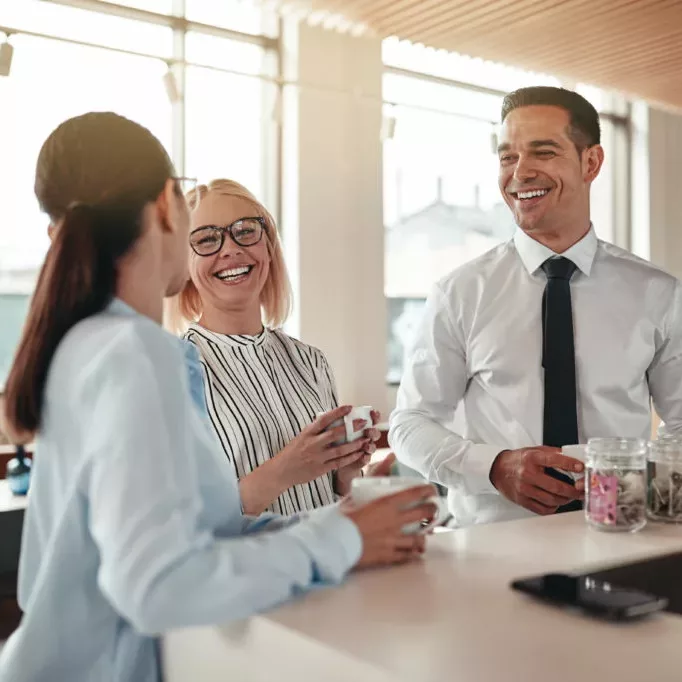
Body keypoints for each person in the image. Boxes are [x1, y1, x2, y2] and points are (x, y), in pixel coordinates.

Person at [0, 112, 436, 682]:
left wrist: (348, 520)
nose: (226, 248)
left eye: (246, 231)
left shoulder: (86, 344)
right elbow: (158, 584)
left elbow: (200, 534)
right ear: (166, 204)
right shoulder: (136, 353)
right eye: (204, 230)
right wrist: (341, 537)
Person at [390, 86, 682, 527]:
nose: (520, 173)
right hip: (492, 549)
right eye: (508, 157)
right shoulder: (460, 292)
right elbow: (410, 423)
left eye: (542, 153)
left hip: (622, 538)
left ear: (591, 162)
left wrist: (649, 492)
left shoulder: (657, 293)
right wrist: (495, 467)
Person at [172, 179, 393, 516]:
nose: (230, 249)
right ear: (182, 265)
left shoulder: (311, 362)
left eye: (245, 231)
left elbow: (332, 504)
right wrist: (284, 470)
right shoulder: (171, 372)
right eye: (205, 239)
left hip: (329, 563)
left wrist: (348, 474)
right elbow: (185, 523)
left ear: (269, 248)